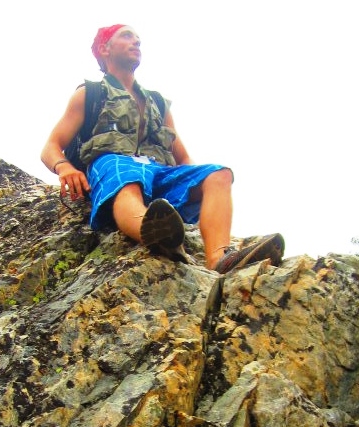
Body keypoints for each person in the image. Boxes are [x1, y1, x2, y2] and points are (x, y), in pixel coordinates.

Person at [41, 24, 284, 273]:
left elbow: (182, 155)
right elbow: (51, 146)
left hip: (158, 171)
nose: (136, 42)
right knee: (126, 178)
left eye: (138, 39)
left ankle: (219, 258)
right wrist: (64, 167)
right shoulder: (90, 94)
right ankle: (156, 233)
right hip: (113, 165)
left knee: (219, 174)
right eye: (126, 36)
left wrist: (191, 182)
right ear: (105, 48)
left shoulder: (156, 102)